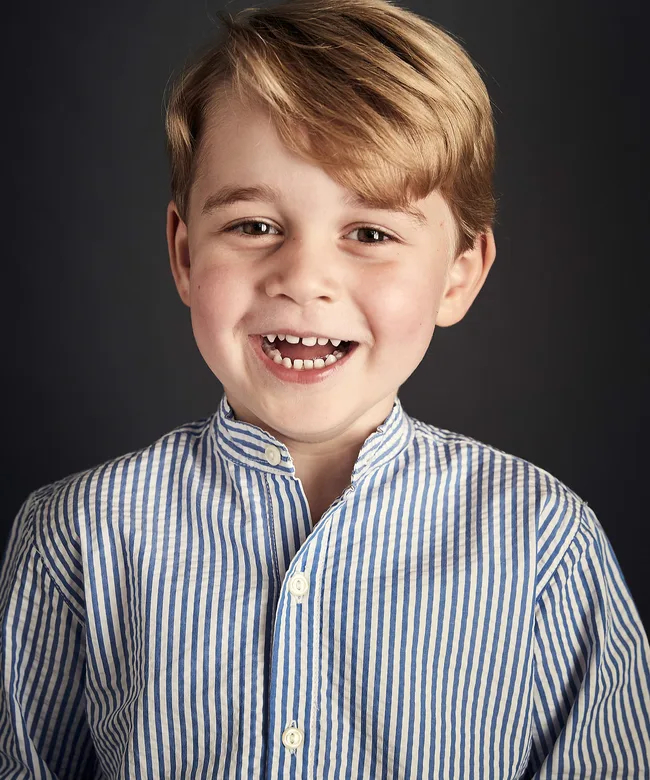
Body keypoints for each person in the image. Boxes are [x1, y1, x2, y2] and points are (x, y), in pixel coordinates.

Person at [1, 0, 649, 776]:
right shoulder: (77, 536)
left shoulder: (544, 545)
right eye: (253, 226)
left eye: (370, 234)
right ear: (182, 252)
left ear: (459, 274)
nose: (303, 280)